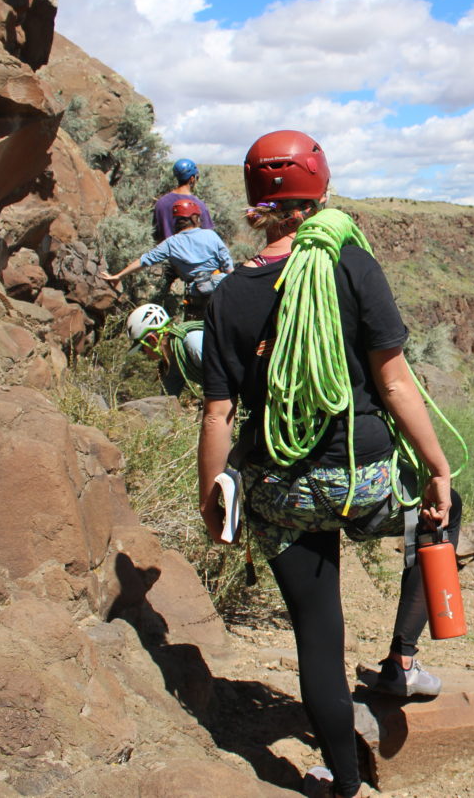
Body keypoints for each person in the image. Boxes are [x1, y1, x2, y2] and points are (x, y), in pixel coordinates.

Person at [196, 129, 458, 798]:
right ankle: (402, 660)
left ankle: (343, 783)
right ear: (320, 188)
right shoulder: (351, 264)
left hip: (279, 488)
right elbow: (395, 382)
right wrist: (438, 468)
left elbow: (218, 414)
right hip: (361, 478)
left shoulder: (228, 294)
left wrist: (211, 499)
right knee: (439, 518)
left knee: (317, 636)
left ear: (256, 200)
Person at [101, 199, 233, 303]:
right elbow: (227, 265)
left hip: (196, 293)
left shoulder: (171, 243)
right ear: (194, 218)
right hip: (222, 288)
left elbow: (144, 260)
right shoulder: (210, 235)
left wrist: (119, 276)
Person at [125, 303, 204, 398]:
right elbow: (168, 401)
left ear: (153, 339)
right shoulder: (170, 366)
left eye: (142, 349)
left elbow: (220, 378)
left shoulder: (193, 343)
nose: (144, 353)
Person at [152, 158, 216, 243]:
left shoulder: (161, 203)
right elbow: (208, 237)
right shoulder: (198, 204)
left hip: (165, 250)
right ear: (192, 179)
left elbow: (156, 234)